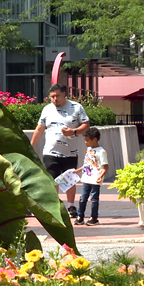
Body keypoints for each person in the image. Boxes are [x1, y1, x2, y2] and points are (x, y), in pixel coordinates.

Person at [30, 84, 90, 218]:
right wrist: (31, 145)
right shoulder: (47, 110)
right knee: (52, 179)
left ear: (64, 94)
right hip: (51, 151)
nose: (54, 99)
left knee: (69, 179)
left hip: (70, 151)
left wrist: (73, 131)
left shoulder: (76, 107)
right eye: (52, 97)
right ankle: (55, 206)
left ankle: (70, 206)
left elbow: (86, 125)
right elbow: (40, 128)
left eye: (57, 96)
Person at [73, 127, 108, 225]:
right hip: (86, 178)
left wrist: (100, 176)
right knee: (83, 198)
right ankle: (80, 216)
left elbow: (105, 166)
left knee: (94, 199)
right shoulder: (89, 150)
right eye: (85, 140)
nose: (85, 142)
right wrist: (78, 170)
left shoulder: (101, 152)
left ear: (95, 139)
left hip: (95, 180)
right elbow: (87, 164)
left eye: (87, 140)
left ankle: (94, 217)